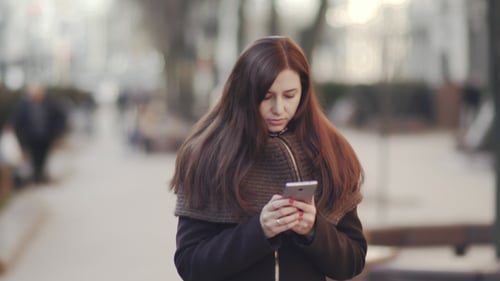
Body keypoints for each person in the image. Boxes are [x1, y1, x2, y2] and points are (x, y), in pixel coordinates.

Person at [170, 36, 366, 281]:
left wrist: (314, 230)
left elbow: (353, 260)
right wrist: (258, 232)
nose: (279, 108)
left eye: (289, 95)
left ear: (304, 91)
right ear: (244, 92)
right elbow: (190, 265)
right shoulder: (207, 154)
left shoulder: (331, 151)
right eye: (266, 96)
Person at [11, 82, 67, 184]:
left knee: (44, 157)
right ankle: (36, 177)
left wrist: (56, 131)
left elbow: (61, 117)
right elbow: (18, 120)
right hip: (31, 138)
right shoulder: (25, 106)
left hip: (46, 137)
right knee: (34, 158)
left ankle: (40, 176)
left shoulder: (50, 104)